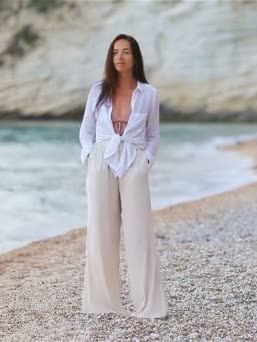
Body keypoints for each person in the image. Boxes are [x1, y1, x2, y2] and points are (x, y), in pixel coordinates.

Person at [79, 33, 168, 318]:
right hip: (101, 160)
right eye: (115, 51)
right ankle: (105, 304)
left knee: (139, 234)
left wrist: (146, 162)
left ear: (135, 57)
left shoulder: (149, 94)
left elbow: (153, 135)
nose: (120, 56)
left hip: (134, 162)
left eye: (126, 51)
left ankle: (148, 305)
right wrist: (89, 155)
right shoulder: (98, 91)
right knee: (101, 233)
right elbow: (86, 131)